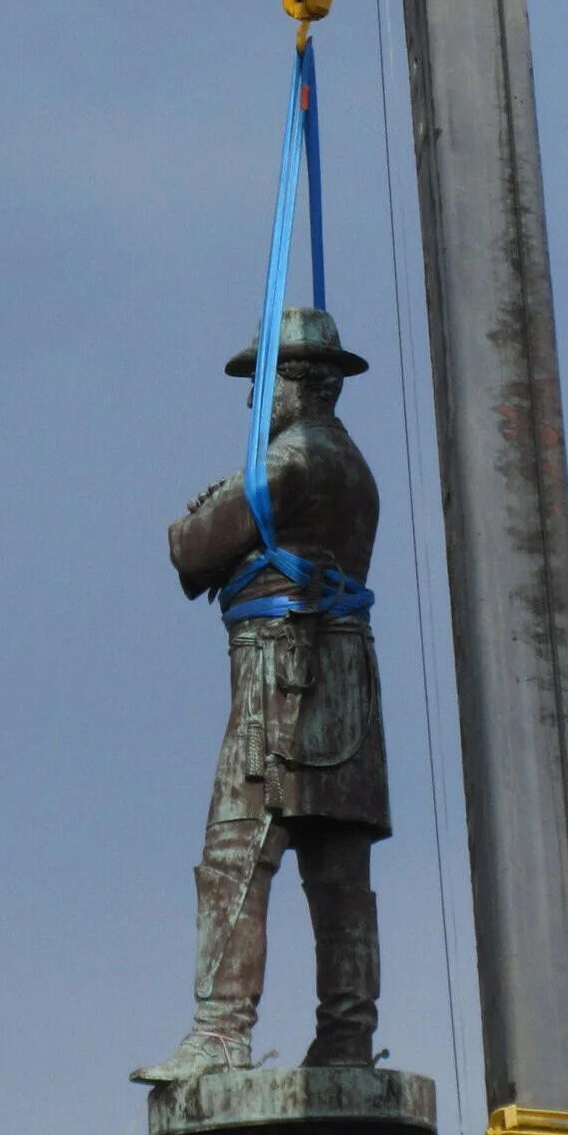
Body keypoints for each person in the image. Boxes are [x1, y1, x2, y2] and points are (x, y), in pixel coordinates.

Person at [132, 305, 390, 1084]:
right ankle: (347, 1036)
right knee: (338, 871)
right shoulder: (355, 470)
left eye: (262, 381)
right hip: (346, 682)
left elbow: (192, 548)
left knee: (236, 856)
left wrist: (197, 523)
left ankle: (219, 1031)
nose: (251, 400)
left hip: (281, 686)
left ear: (303, 384)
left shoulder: (290, 464)